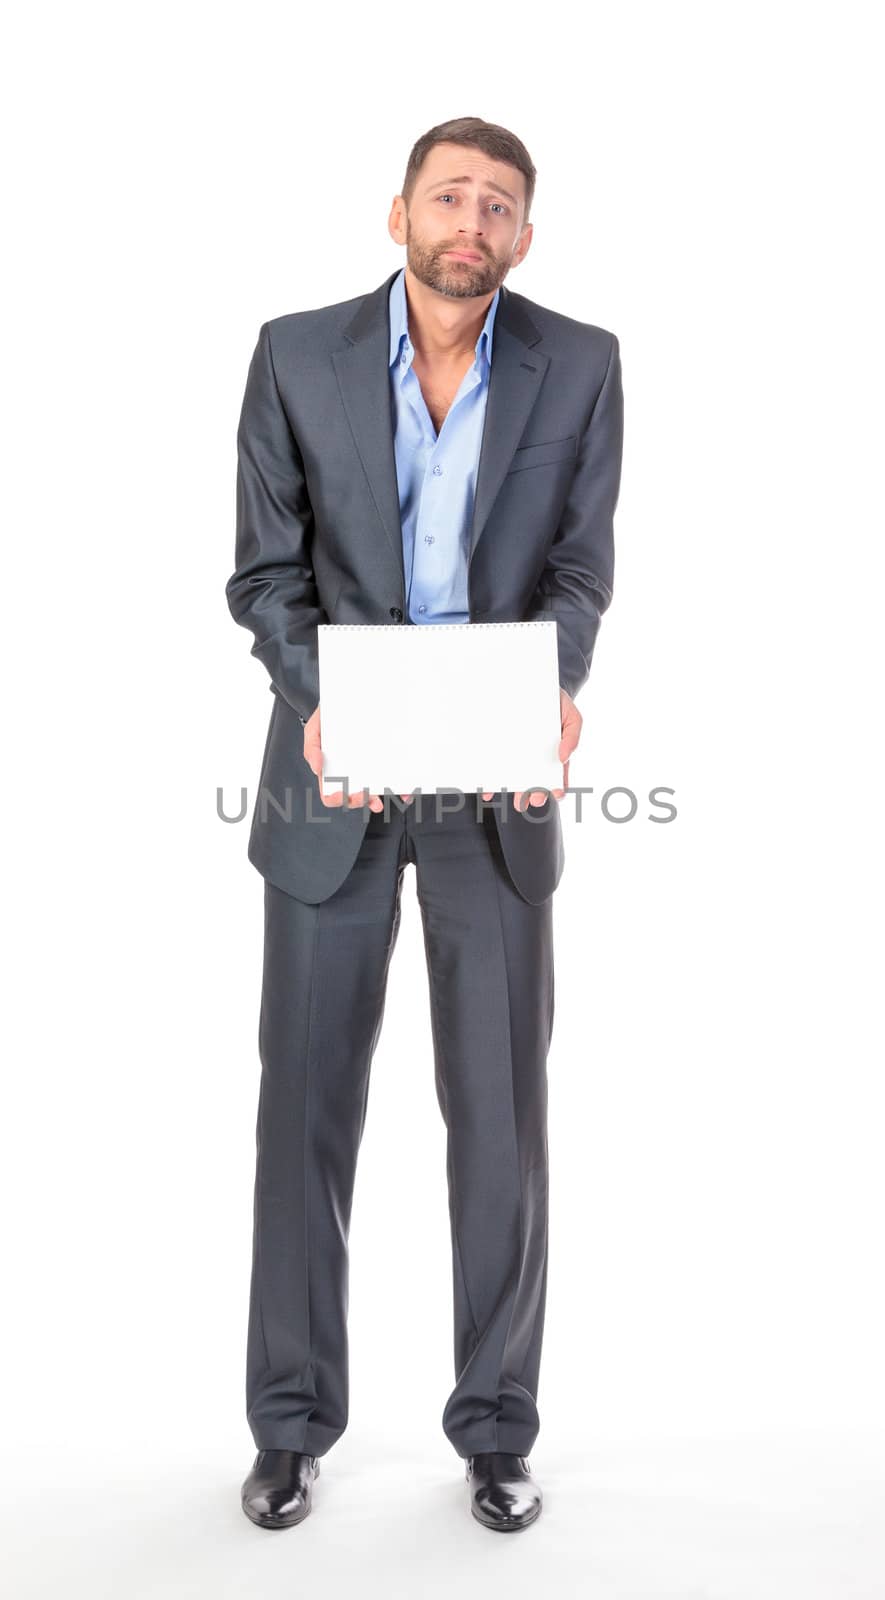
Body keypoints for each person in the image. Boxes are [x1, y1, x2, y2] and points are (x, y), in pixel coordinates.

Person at [226, 115, 624, 1532]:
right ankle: (289, 1427)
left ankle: (496, 1429)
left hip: (494, 783)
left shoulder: (578, 363)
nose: (472, 222)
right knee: (305, 1116)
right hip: (331, 775)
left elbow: (579, 564)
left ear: (523, 235)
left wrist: (557, 686)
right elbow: (264, 572)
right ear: (395, 210)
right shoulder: (293, 353)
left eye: (498, 205)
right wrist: (316, 690)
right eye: (449, 196)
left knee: (500, 1125)